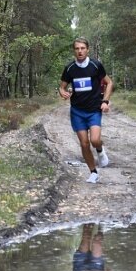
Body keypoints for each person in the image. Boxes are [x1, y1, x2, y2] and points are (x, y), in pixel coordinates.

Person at [59, 37, 113, 183]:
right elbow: (62, 86)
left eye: (82, 48)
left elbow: (109, 83)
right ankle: (93, 173)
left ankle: (100, 151)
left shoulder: (96, 65)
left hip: (94, 109)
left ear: (87, 50)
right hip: (77, 111)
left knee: (95, 140)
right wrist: (62, 91)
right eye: (77, 49)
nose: (80, 51)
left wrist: (105, 101)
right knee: (84, 143)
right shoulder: (70, 68)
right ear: (74, 51)